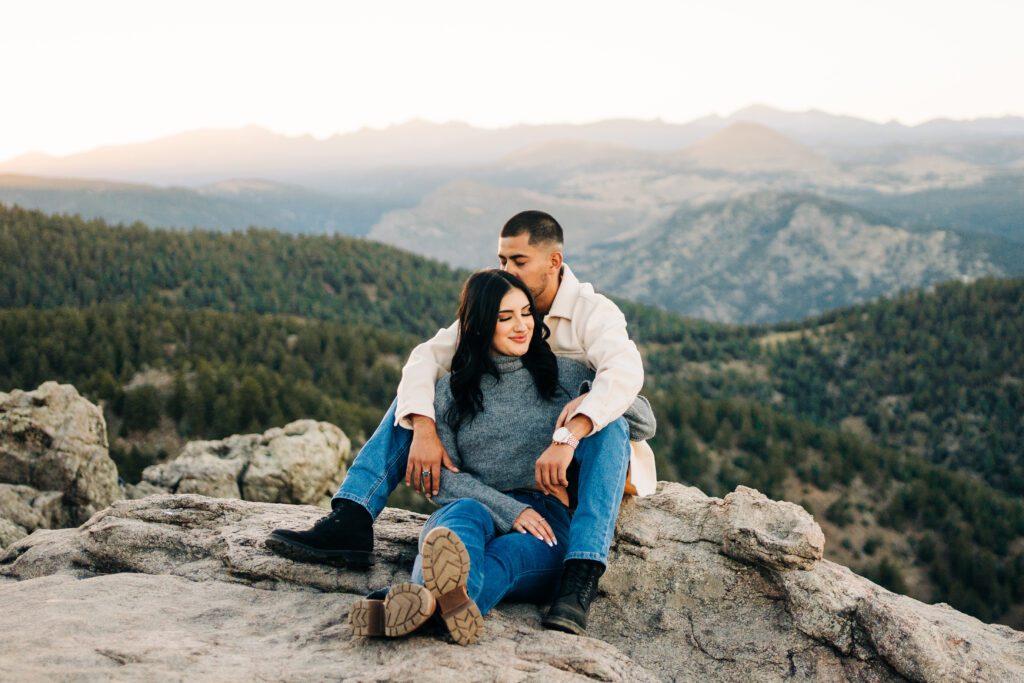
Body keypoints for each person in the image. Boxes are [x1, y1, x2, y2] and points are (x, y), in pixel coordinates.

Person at [267, 210, 655, 632]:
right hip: (486, 499)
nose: (507, 271)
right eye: (502, 261)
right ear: (482, 323)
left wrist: (579, 414)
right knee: (421, 423)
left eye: (518, 262)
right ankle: (358, 523)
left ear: (553, 262)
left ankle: (578, 573)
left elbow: (627, 386)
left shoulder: (588, 321)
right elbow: (424, 361)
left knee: (604, 428)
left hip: (572, 475)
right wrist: (424, 426)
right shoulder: (466, 362)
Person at [346, 269, 655, 644]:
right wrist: (509, 511)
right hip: (476, 504)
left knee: (506, 559)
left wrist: (590, 399)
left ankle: (420, 605)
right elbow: (444, 477)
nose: (522, 326)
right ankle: (442, 608)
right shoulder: (450, 392)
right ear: (478, 327)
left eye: (526, 313)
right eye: (505, 318)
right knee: (456, 528)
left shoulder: (566, 374)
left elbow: (643, 422)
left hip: (545, 519)